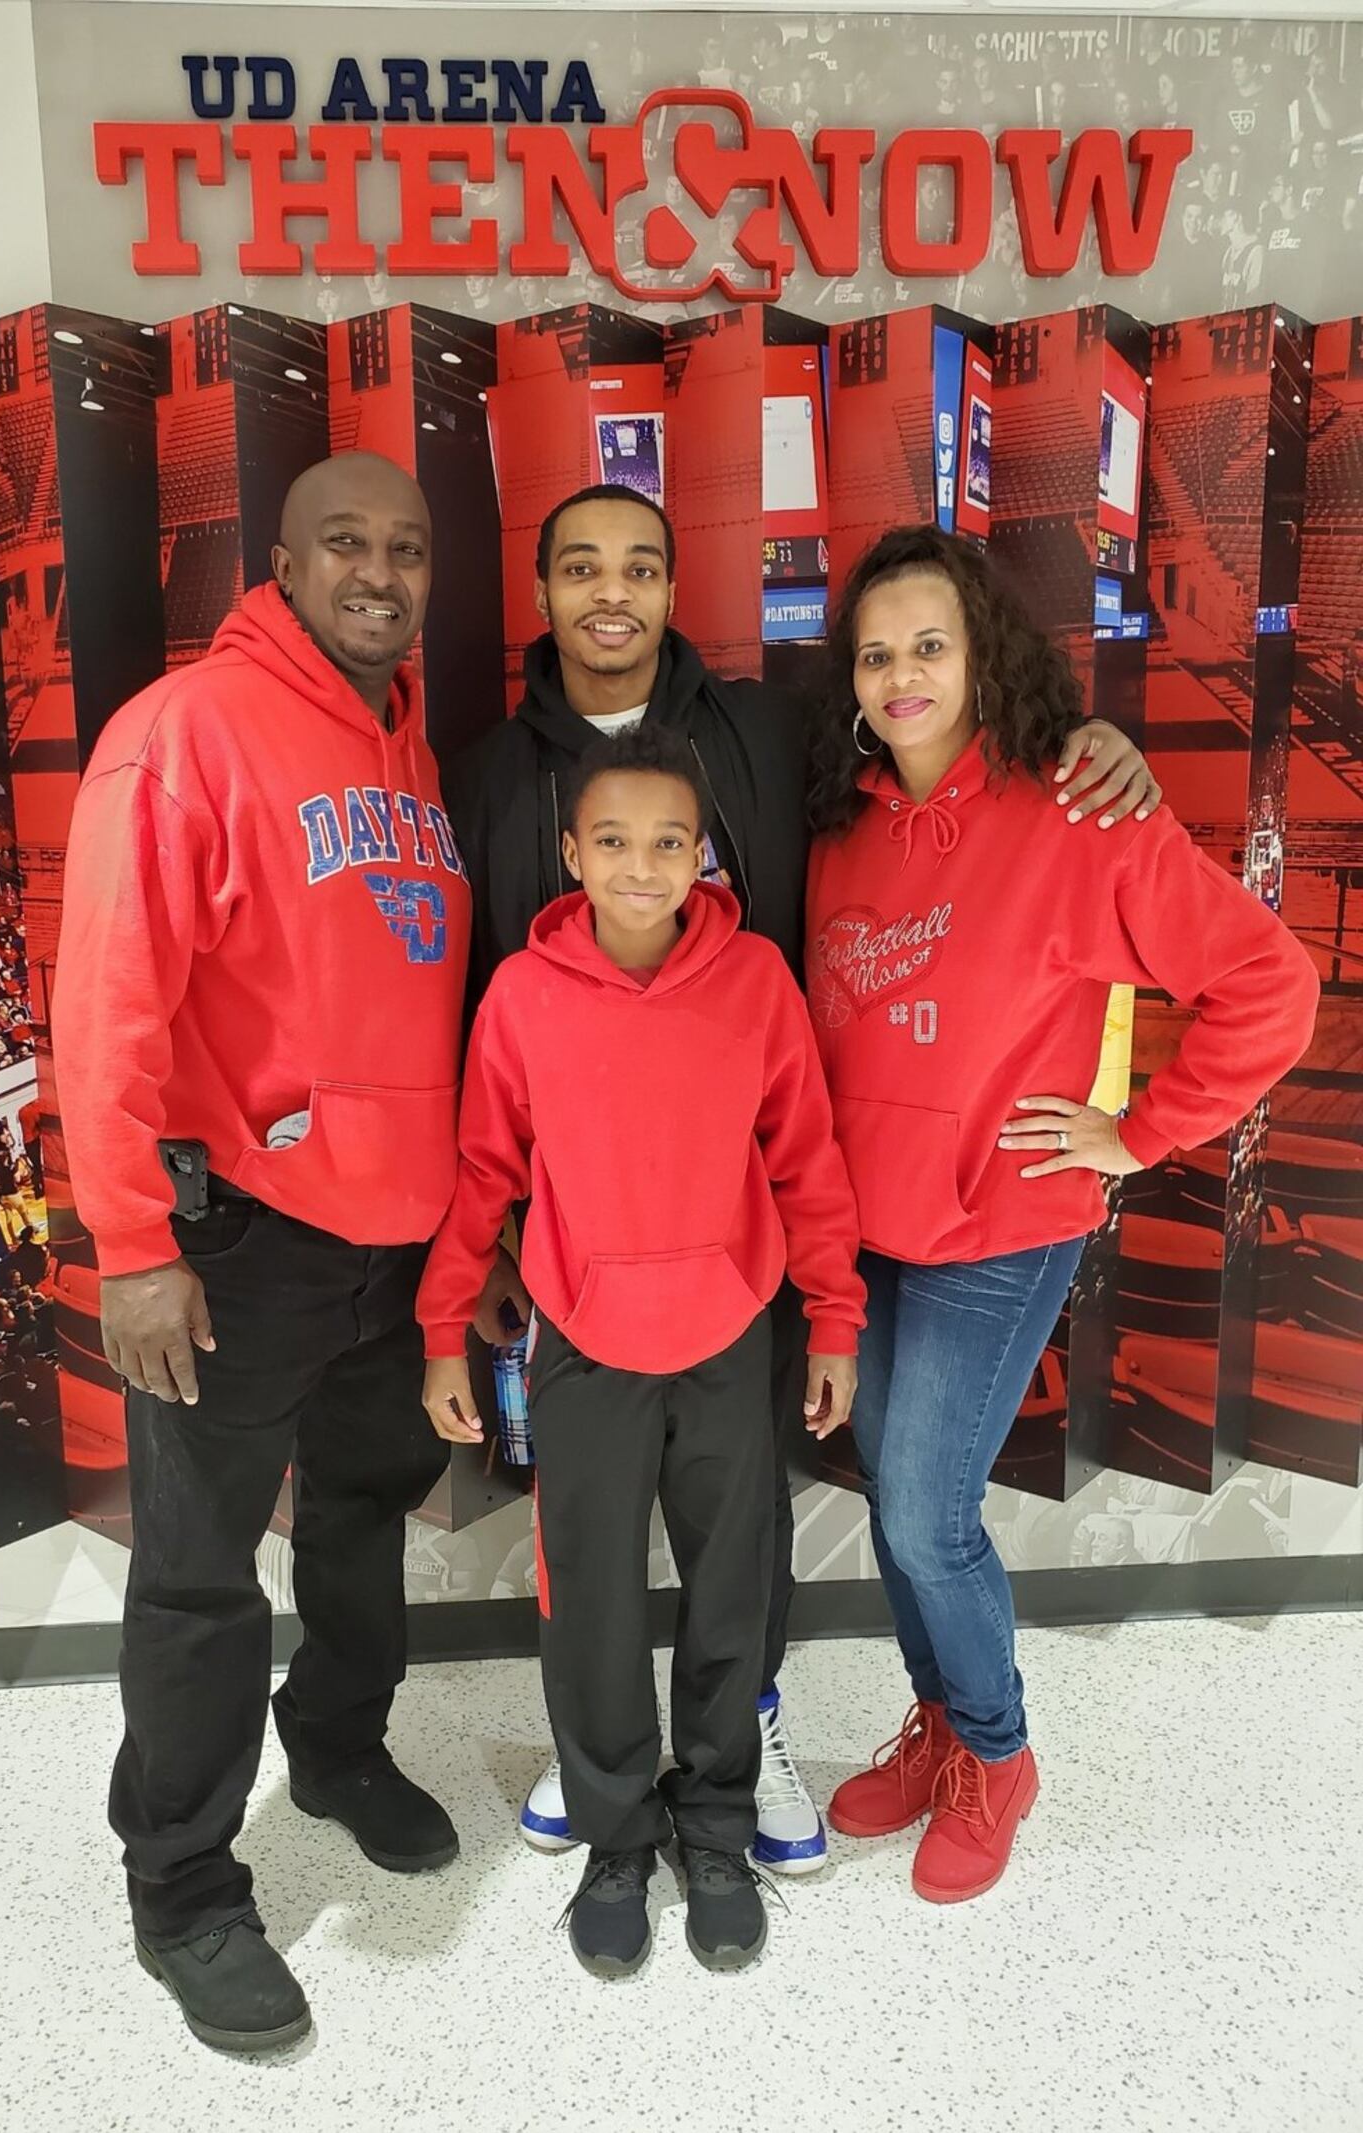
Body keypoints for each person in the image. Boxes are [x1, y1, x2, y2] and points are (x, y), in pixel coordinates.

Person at [444, 482, 1162, 1872]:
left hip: (757, 1222)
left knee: (745, 1512)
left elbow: (946, 750)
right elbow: (477, 1023)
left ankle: (750, 1723)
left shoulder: (773, 731)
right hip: (578, 1239)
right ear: (540, 593)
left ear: (671, 589)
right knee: (585, 1523)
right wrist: (476, 1246)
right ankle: (594, 1745)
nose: (613, 591)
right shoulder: (482, 774)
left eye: (642, 565)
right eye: (582, 565)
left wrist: (1089, 744)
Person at [53, 451, 504, 2055]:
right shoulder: (180, 735)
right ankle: (179, 1884)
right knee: (195, 1578)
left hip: (395, 1250)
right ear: (282, 563)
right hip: (236, 1249)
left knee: (365, 1525)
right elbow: (105, 1004)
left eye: (407, 548)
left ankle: (338, 1745)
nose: (380, 573)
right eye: (345, 546)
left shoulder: (410, 749)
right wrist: (128, 1239)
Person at [802, 526, 1318, 1904]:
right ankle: (936, 1722)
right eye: (878, 652)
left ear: (983, 660)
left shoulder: (1078, 816)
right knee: (894, 1498)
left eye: (930, 645)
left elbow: (1269, 983)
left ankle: (998, 1754)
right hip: (869, 1231)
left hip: (999, 1223)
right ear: (849, 679)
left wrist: (1137, 1132)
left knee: (925, 1510)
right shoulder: (839, 831)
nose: (904, 674)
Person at [418, 724, 864, 1976]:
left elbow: (810, 1165)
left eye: (669, 841)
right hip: (585, 1347)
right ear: (571, 853)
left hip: (728, 1339)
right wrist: (442, 1327)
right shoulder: (520, 994)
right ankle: (617, 1839)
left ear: (701, 856)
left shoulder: (757, 982)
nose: (640, 864)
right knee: (593, 1608)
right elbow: (480, 1176)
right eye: (612, 840)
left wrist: (833, 1316)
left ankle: (714, 1829)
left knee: (730, 1597)